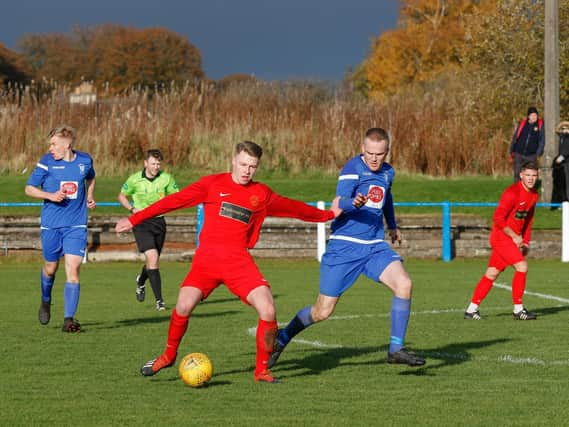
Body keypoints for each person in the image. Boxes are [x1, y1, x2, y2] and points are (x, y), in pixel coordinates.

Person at [115, 141, 341, 383]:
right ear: (233, 161)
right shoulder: (211, 184)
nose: (247, 170)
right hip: (206, 262)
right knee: (182, 306)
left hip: (238, 262)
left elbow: (294, 208)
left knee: (268, 308)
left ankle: (262, 371)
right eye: (243, 164)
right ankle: (169, 356)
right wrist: (136, 219)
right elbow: (174, 201)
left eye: (252, 166)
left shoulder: (261, 194)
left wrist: (328, 215)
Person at [268, 127, 426, 371]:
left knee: (404, 284)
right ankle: (282, 338)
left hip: (374, 246)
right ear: (363, 149)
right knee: (322, 311)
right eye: (370, 153)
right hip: (345, 247)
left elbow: (387, 198)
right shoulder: (352, 169)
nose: (374, 158)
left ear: (387, 152)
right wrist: (353, 203)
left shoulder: (388, 172)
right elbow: (338, 201)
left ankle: (396, 349)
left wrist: (392, 226)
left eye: (380, 154)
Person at [25, 124, 96, 332]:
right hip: (51, 225)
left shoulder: (84, 160)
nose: (50, 148)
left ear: (67, 144)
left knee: (73, 270)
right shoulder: (47, 163)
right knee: (50, 268)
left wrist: (90, 195)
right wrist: (50, 196)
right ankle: (46, 300)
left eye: (54, 144)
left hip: (76, 224)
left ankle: (68, 320)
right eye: (50, 144)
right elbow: (29, 188)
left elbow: (91, 176)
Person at [464, 161, 540, 320]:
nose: (531, 178)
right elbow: (498, 218)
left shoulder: (533, 195)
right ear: (521, 175)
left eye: (534, 175)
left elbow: (528, 220)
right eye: (528, 175)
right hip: (501, 238)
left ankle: (471, 310)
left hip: (512, 240)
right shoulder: (512, 192)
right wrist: (513, 235)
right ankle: (518, 310)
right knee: (522, 266)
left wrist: (525, 241)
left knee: (492, 273)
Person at [118, 149, 179, 311]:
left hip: (159, 222)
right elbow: (122, 196)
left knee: (153, 261)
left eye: (158, 163)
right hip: (141, 222)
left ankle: (140, 281)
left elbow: (177, 196)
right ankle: (160, 301)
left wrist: (170, 203)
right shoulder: (134, 179)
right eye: (153, 163)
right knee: (152, 257)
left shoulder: (166, 179)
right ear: (145, 163)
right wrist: (132, 209)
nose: (156, 167)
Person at [509, 107, 544, 182]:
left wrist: (538, 154)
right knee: (517, 174)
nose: (534, 117)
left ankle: (529, 192)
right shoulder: (523, 123)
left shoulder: (540, 125)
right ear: (528, 116)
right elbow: (515, 137)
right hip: (519, 154)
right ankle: (517, 191)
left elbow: (542, 140)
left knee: (530, 175)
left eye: (535, 115)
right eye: (532, 115)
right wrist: (512, 150)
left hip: (531, 156)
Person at [551, 121, 569, 205]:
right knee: (562, 183)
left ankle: (567, 201)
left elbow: (566, 151)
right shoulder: (562, 137)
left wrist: (561, 157)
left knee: (567, 182)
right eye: (563, 129)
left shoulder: (567, 137)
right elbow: (557, 130)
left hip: (567, 163)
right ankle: (563, 200)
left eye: (566, 128)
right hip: (562, 164)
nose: (565, 130)